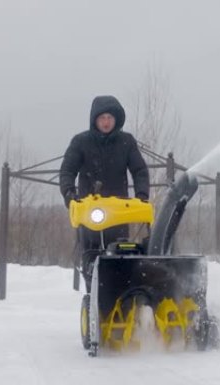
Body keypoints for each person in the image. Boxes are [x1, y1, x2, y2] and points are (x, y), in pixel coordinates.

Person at [59, 95, 150, 291]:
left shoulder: (126, 142)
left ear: (116, 119)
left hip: (119, 211)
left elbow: (139, 170)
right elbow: (67, 171)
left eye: (110, 117)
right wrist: (69, 194)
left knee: (121, 254)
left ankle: (121, 296)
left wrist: (142, 195)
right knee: (91, 255)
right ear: (95, 120)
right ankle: (93, 295)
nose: (106, 122)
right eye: (102, 118)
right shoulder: (81, 142)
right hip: (89, 210)